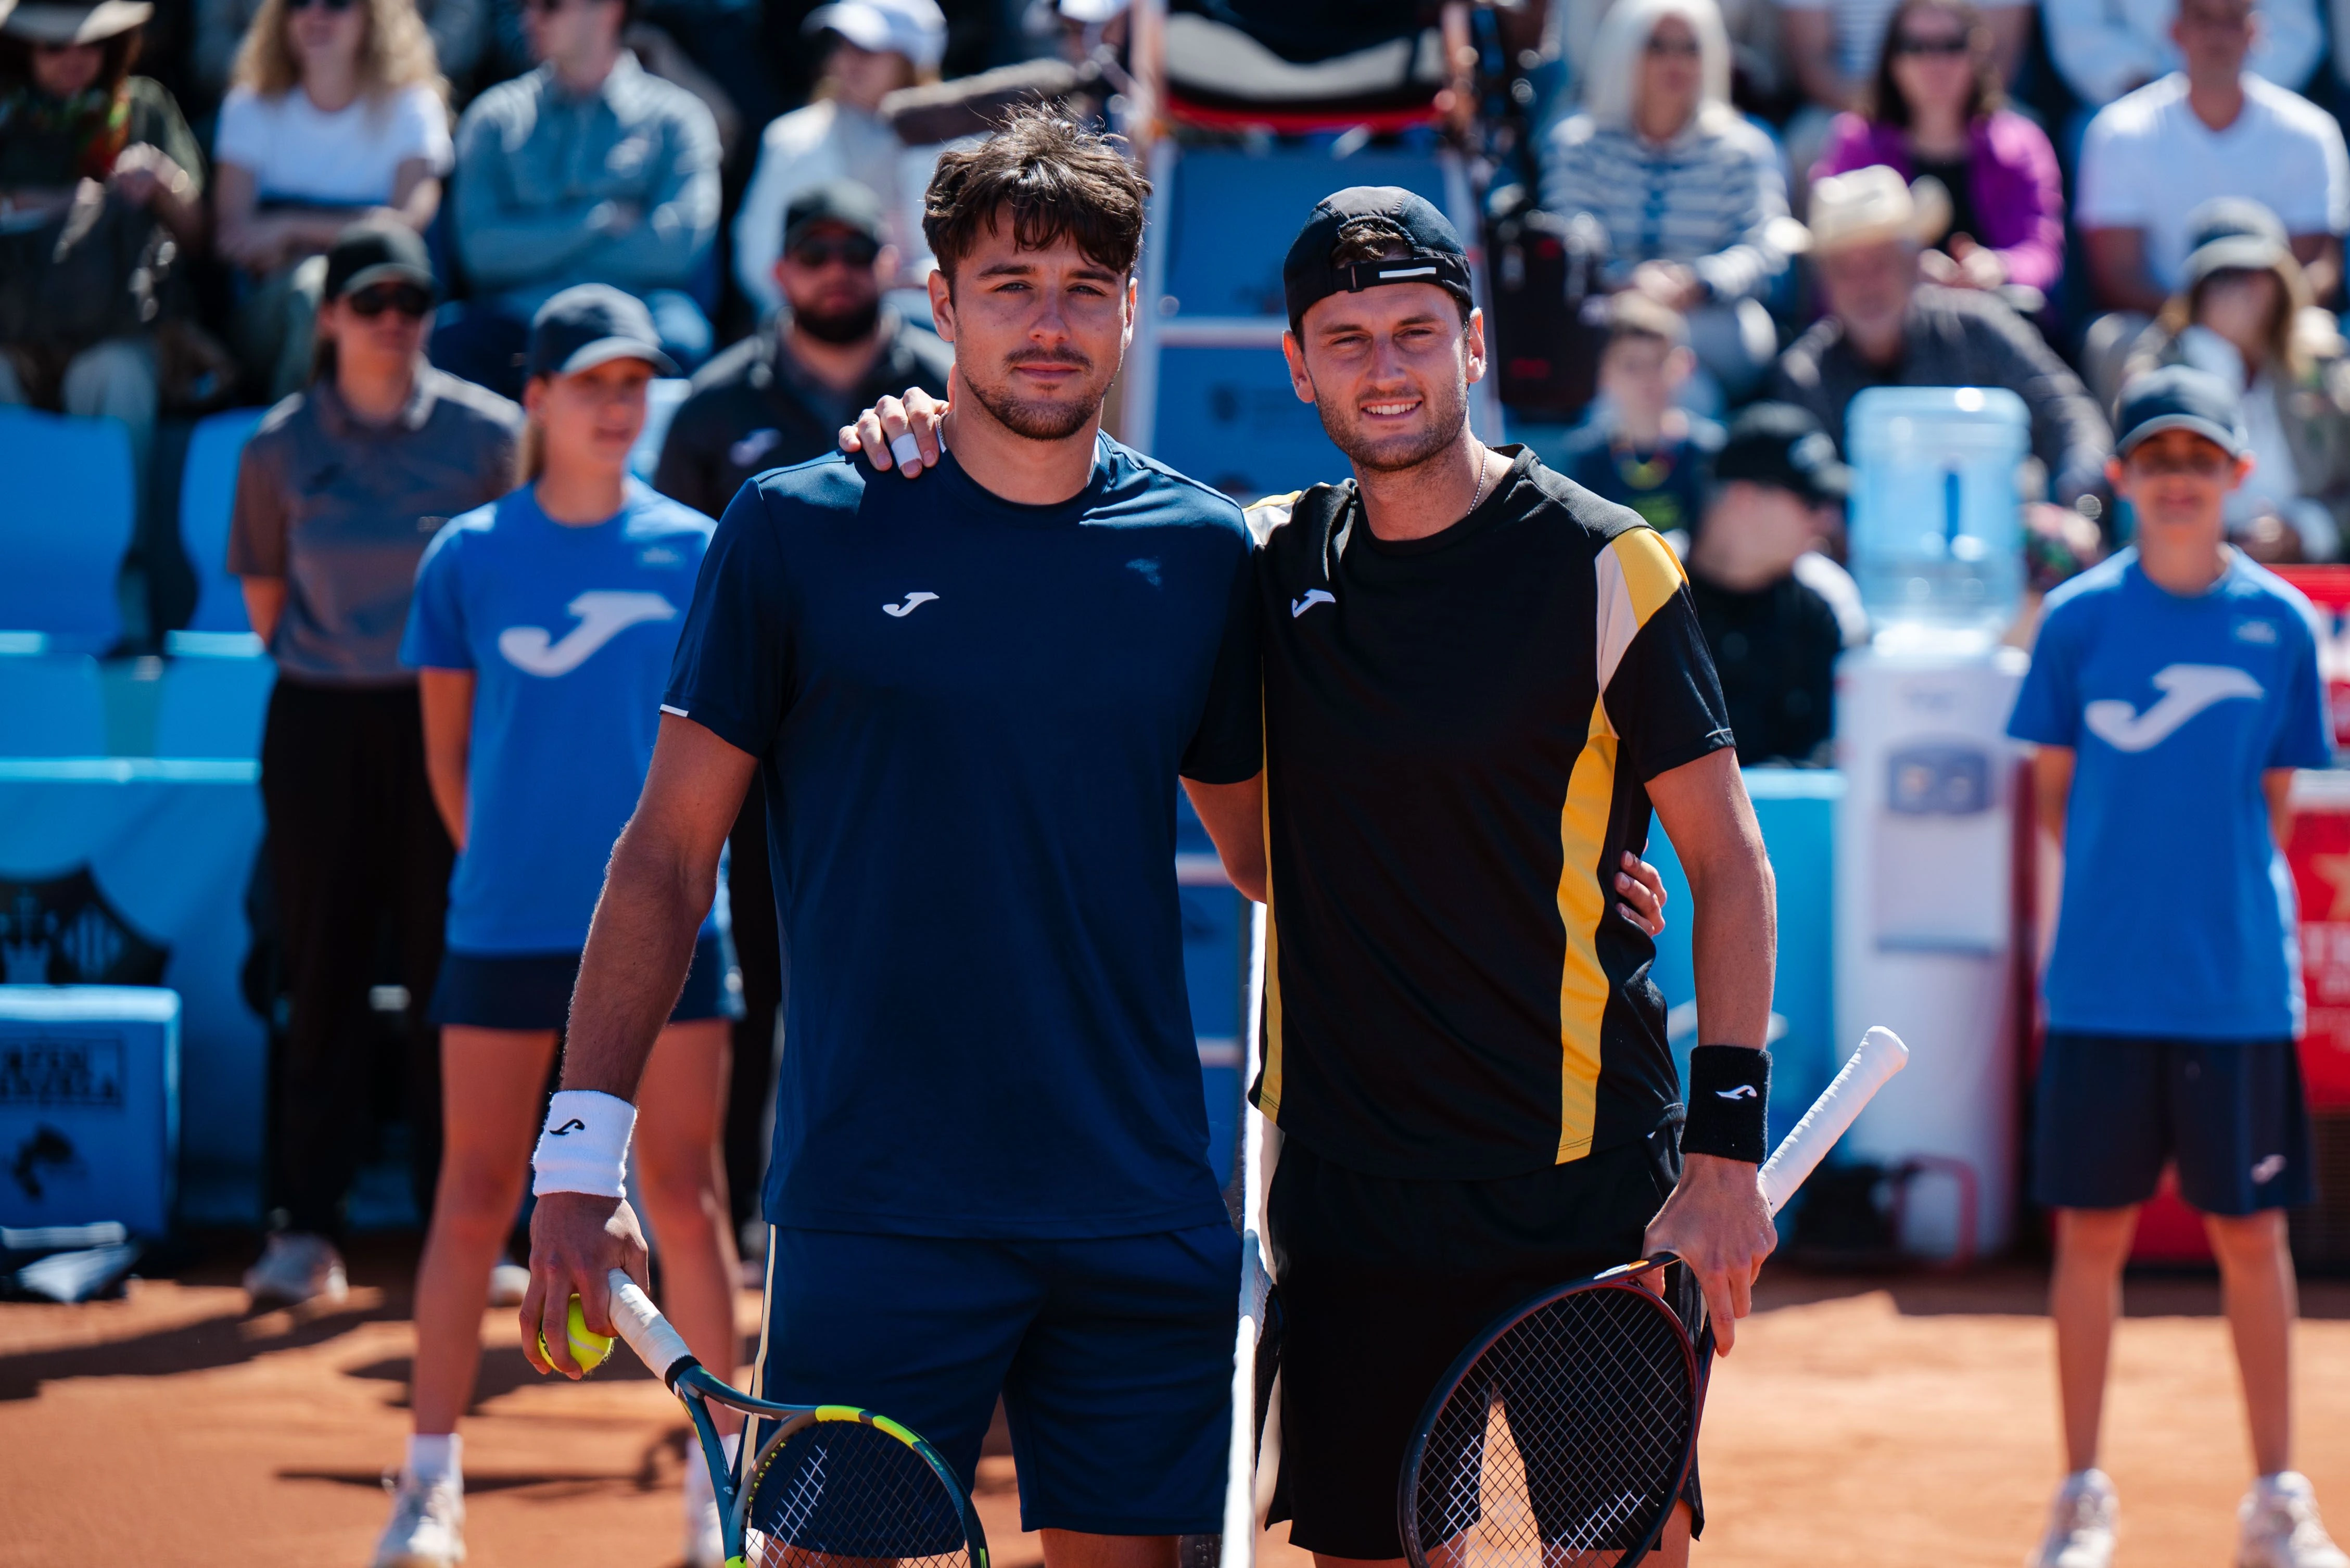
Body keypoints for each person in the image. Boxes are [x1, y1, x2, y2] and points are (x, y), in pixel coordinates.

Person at [842, 183, 1779, 1568]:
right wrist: (919, 428)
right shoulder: (1264, 563)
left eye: (1413, 330)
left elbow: (1729, 862)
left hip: (1577, 1175)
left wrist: (1722, 1154)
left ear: (1472, 344)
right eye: (1344, 339)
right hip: (1349, 1187)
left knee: (1624, 1557)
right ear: (1293, 365)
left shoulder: (1605, 562)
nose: (1383, 368)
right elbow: (1248, 838)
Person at [377, 285, 736, 1568]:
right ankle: (427, 1483)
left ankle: (718, 1488)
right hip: (508, 927)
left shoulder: (702, 548)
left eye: (636, 381)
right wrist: (528, 879)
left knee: (687, 1200)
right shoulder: (465, 556)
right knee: (474, 1196)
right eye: (590, 381)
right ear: (534, 398)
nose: (616, 404)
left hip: (681, 932)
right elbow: (450, 763)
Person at [2008, 364, 2348, 1568]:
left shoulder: (2281, 626)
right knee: (2089, 1236)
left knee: (2252, 1236)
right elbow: (2054, 795)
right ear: (2126, 478)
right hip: (2102, 982)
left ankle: (2274, 1496)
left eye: (2200, 461)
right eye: (2159, 462)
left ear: (2234, 476)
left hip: (2236, 986)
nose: (2180, 482)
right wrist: (2130, 890)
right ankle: (2082, 1492)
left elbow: (2271, 803)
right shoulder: (2081, 622)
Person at [650, 176, 949, 1250]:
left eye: (851, 247)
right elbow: (682, 597)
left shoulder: (952, 393)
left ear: (889, 266)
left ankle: (908, 1212)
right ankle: (742, 1224)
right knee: (746, 987)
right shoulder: (713, 405)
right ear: (779, 271)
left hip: (909, 749)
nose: (833, 267)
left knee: (909, 977)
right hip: (750, 745)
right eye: (811, 249)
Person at [228, 223, 522, 1307]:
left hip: (453, 721)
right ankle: (304, 1225)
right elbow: (269, 609)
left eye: (411, 300)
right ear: (330, 317)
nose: (393, 319)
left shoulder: (490, 437)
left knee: (463, 968)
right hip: (318, 727)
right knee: (320, 970)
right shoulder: (273, 448)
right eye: (371, 300)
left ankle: (478, 1222)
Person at [1770, 164, 2113, 507]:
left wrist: (2076, 503)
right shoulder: (1805, 373)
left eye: (1879, 263)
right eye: (1845, 270)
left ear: (1913, 264)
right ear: (1824, 284)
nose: (1865, 286)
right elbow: (1807, 497)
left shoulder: (1978, 326)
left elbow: (2069, 416)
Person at [434, 0, 719, 399]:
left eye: (550, 6)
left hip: (639, 316)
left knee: (683, 340)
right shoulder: (495, 118)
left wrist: (534, 242)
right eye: (526, 5)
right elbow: (480, 253)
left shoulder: (678, 119)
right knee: (450, 341)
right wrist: (596, 221)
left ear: (609, 11)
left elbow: (675, 248)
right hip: (518, 321)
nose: (529, 18)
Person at [2075, 0, 2349, 399]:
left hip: (2277, 326)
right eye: (2202, 18)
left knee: (2323, 343)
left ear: (2255, 32)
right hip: (2164, 327)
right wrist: (2204, 320)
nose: (2216, 35)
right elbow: (2117, 275)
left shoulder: (2309, 131)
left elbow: (2316, 267)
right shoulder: (2119, 132)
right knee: (2114, 341)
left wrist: (2255, 321)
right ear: (2174, 31)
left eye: (2231, 20)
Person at [1539, 0, 1793, 403]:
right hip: (1612, 312)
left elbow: (1765, 247)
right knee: (1640, 359)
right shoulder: (1576, 143)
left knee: (1685, 351)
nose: (1675, 62)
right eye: (1657, 47)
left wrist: (1700, 282)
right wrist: (1625, 280)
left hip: (1709, 319)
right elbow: (1570, 236)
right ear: (1622, 52)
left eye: (1689, 48)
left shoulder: (1746, 148)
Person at [0, 0, 204, 489]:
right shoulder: (6, 118)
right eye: (54, 44)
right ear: (23, 47)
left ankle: (123, 557)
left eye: (92, 42)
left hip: (119, 330)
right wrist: (69, 200)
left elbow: (201, 236)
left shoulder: (144, 108)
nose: (75, 56)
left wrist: (162, 182)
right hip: (15, 332)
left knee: (116, 375)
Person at [212, 0, 451, 401]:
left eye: (338, 3)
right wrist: (364, 228)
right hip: (263, 327)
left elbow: (408, 225)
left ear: (375, 17)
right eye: (298, 3)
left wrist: (287, 230)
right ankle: (295, 449)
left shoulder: (413, 107)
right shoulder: (249, 106)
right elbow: (231, 238)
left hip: (389, 321)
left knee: (325, 288)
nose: (316, 15)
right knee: (315, 295)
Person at [2123, 198, 2350, 562]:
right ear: (2195, 290)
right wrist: (2215, 358)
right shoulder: (2157, 367)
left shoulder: (2323, 367)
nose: (2239, 288)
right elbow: (2136, 494)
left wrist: (2305, 530)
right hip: (2192, 570)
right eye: (2220, 275)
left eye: (2253, 271)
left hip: (2315, 576)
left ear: (2281, 283)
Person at [1808, 0, 2063, 302]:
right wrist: (1905, 267)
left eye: (1951, 46)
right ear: (1892, 59)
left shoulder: (2021, 143)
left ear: (1977, 56)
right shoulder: (1856, 142)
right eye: (1916, 47)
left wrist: (1998, 268)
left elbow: (2042, 251)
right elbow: (1835, 251)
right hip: (1890, 326)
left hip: (1996, 315)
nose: (1934, 62)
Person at [732, 0, 945, 321]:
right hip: (812, 323)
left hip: (925, 323)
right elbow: (758, 259)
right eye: (843, 46)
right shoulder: (789, 140)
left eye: (868, 49)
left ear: (912, 59)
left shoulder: (963, 144)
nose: (849, 61)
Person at [1684, 403, 1867, 765]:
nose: (1828, 520)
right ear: (1745, 498)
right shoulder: (1645, 586)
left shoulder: (1828, 595)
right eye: (1812, 501)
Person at [1558, 292, 1725, 533]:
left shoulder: (1711, 451)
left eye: (1659, 362)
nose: (1648, 378)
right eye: (1632, 365)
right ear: (1603, 374)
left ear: (1685, 366)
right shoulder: (1587, 459)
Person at [2045, 0, 2321, 112]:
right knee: (2097, 136)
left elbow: (2292, 34)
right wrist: (2156, 95)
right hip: (2126, 99)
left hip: (2253, 99)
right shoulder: (2116, 134)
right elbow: (2080, 33)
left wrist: (2223, 94)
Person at [195, 0, 485, 104]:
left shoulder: (414, 110)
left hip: (390, 93)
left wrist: (370, 71)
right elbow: (209, 50)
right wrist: (301, 76)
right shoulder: (245, 112)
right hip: (272, 93)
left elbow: (463, 25)